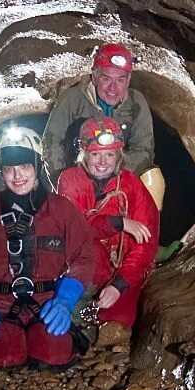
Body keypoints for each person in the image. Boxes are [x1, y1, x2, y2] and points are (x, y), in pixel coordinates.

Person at [0, 125, 100, 369]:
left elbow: (84, 256)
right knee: (2, 356)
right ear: (1, 172)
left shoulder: (61, 209)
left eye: (24, 166)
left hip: (47, 303)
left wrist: (66, 299)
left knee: (53, 354)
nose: (17, 175)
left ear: (38, 166)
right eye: (9, 168)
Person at [54, 115, 158, 337]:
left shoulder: (131, 185)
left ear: (118, 156)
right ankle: (73, 311)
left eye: (109, 154)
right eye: (95, 154)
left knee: (119, 323)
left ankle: (93, 320)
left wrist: (119, 285)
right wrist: (118, 223)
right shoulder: (70, 180)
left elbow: (145, 245)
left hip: (122, 269)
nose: (102, 162)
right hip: (81, 268)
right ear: (84, 154)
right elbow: (76, 230)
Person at [42, 42, 165, 208]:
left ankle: (144, 230)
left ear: (128, 80)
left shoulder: (136, 102)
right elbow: (52, 143)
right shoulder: (72, 99)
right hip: (78, 173)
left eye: (120, 80)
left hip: (118, 173)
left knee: (153, 178)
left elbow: (143, 149)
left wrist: (114, 178)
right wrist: (66, 181)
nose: (113, 88)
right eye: (106, 79)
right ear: (94, 77)